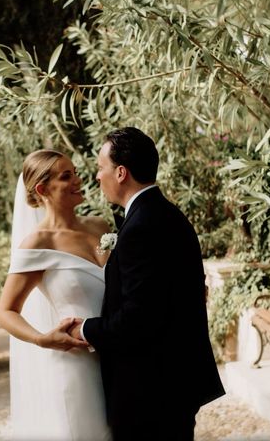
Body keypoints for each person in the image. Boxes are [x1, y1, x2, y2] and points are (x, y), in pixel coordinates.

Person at [69, 127, 226, 440]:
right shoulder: (166, 215)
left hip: (151, 391)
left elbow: (139, 318)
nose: (98, 177)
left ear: (121, 172)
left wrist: (85, 329)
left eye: (102, 168)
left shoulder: (142, 227)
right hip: (171, 383)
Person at [0, 149, 112, 440]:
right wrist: (41, 338)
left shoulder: (100, 226)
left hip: (120, 353)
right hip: (77, 364)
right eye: (66, 176)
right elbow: (5, 311)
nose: (78, 180)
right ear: (42, 189)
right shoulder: (37, 243)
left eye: (75, 172)